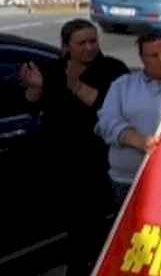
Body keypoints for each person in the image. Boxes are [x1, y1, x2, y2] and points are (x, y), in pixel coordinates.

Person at [18, 20, 129, 276]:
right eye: (82, 43)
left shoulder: (113, 69)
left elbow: (109, 109)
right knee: (70, 227)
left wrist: (75, 85)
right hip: (60, 163)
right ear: (66, 46)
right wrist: (35, 89)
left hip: (97, 164)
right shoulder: (52, 69)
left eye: (93, 41)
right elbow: (32, 108)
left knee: (92, 229)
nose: (90, 47)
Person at [96, 33, 161, 208]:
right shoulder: (122, 85)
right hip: (127, 180)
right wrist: (137, 140)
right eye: (154, 55)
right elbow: (106, 122)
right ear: (142, 58)